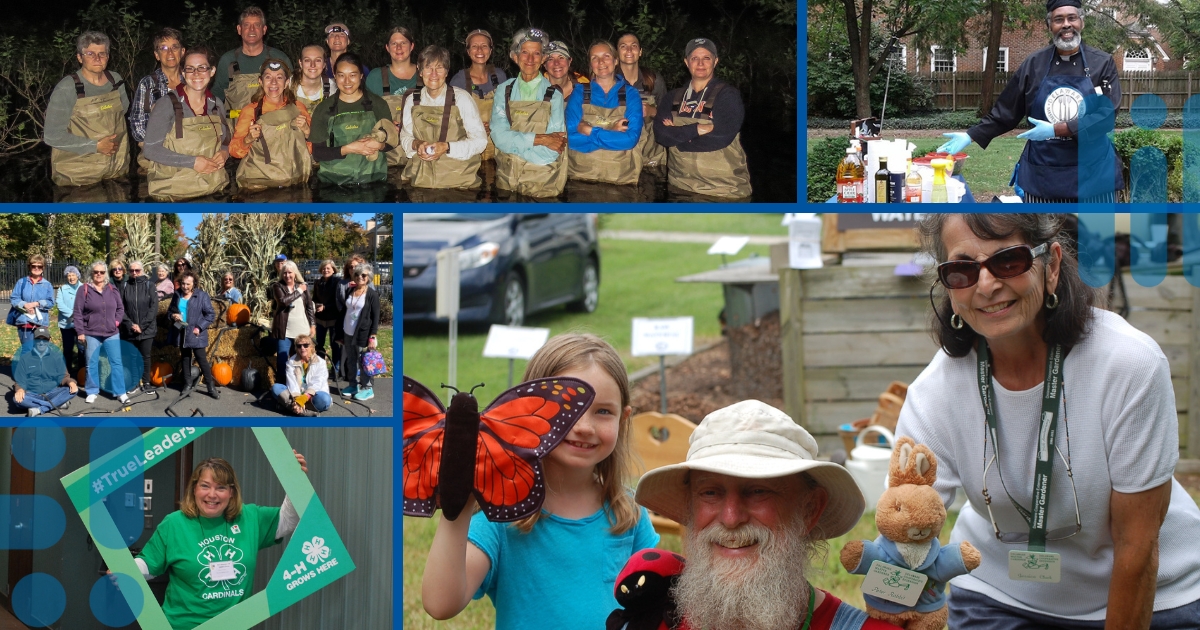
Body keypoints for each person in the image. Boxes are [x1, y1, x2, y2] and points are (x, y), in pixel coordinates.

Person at [896, 214, 1200, 628]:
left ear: (1051, 265)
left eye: (1009, 261)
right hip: (1000, 594)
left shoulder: (1129, 364)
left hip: (1156, 597)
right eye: (962, 269)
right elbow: (903, 528)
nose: (985, 285)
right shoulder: (933, 393)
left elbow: (1138, 546)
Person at [421, 333, 659, 629]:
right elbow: (440, 603)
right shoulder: (502, 516)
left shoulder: (630, 514)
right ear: (526, 413)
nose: (584, 427)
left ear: (623, 420)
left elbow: (656, 605)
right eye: (568, 410)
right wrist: (460, 503)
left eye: (603, 412)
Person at [634, 400, 895, 630]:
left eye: (758, 490)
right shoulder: (652, 621)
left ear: (809, 510)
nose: (731, 517)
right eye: (710, 493)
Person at [938, 0, 1122, 203]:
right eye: (1058, 19)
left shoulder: (1102, 63)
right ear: (1049, 26)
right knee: (1041, 235)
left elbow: (1107, 116)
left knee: (1094, 235)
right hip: (1043, 174)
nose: (1066, 25)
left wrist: (1056, 129)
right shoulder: (1034, 64)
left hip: (1094, 175)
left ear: (1082, 22)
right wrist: (970, 135)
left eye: (1072, 18)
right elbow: (1006, 112)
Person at [129, 454, 309, 628]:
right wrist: (124, 569)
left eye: (221, 487)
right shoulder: (174, 524)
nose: (212, 494)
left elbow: (288, 520)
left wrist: (294, 479)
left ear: (231, 492)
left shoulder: (249, 517)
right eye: (205, 486)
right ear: (194, 489)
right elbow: (148, 565)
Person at [654, 38, 752, 200]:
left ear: (715, 61)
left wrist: (676, 136)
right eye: (694, 58)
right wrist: (696, 129)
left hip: (723, 191)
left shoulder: (728, 95)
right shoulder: (672, 97)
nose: (700, 63)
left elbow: (721, 136)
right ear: (686, 62)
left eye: (706, 58)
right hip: (680, 187)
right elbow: (660, 135)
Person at [143, 47, 232, 201]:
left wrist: (225, 152)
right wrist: (193, 162)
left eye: (202, 68)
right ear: (183, 74)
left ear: (212, 71)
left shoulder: (217, 104)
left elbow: (226, 141)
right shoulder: (167, 104)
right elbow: (150, 150)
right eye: (190, 69)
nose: (196, 74)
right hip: (175, 192)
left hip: (213, 188)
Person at [44, 31, 130, 187]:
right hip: (79, 177)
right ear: (79, 57)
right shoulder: (67, 88)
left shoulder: (116, 80)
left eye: (102, 54)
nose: (97, 58)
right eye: (90, 53)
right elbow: (52, 136)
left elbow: (122, 111)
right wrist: (95, 146)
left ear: (108, 57)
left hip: (117, 170)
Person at [491, 27, 568, 198]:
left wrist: (514, 148)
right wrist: (540, 139)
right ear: (515, 57)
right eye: (525, 52)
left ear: (543, 58)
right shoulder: (503, 91)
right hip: (506, 181)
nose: (530, 59)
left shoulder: (554, 95)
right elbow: (498, 136)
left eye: (537, 53)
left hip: (541, 181)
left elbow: (553, 149)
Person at [398, 45, 486, 191]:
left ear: (446, 72)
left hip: (459, 183)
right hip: (421, 181)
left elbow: (480, 142)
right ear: (420, 71)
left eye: (439, 68)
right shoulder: (412, 100)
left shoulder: (462, 98)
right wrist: (417, 144)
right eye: (428, 67)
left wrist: (447, 147)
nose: (433, 74)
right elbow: (405, 136)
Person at [308, 53, 396, 186]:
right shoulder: (323, 109)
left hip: (373, 180)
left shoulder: (378, 104)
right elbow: (318, 154)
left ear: (361, 75)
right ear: (335, 76)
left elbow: (391, 142)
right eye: (341, 75)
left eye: (353, 75)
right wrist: (348, 149)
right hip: (334, 184)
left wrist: (380, 145)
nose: (347, 81)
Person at [566, 40, 643, 186]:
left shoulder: (631, 94)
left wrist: (588, 130)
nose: (601, 62)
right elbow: (569, 138)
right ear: (591, 64)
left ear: (615, 61)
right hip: (580, 178)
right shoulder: (579, 92)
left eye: (606, 56)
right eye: (595, 58)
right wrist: (611, 131)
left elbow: (630, 139)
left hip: (621, 180)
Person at [229, 58, 312, 190]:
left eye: (279, 77)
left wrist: (307, 132)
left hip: (296, 180)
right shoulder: (250, 111)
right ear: (260, 82)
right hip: (260, 183)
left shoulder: (298, 108)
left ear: (287, 83)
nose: (273, 82)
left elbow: (312, 148)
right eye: (268, 77)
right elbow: (234, 151)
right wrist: (248, 139)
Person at [213, 6, 292, 120]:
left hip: (274, 127)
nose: (252, 29)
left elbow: (292, 94)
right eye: (246, 25)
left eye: (257, 25)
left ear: (264, 29)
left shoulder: (279, 58)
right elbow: (216, 96)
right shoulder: (228, 60)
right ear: (239, 29)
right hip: (238, 128)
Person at [130, 27, 185, 173]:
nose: (170, 53)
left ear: (183, 51)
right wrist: (157, 146)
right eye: (164, 48)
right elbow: (137, 126)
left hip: (190, 149)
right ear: (157, 55)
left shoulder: (194, 80)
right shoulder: (147, 84)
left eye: (175, 47)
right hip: (156, 155)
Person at [74, 261, 129, 404]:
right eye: (96, 272)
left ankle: (120, 392)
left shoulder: (112, 289)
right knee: (91, 362)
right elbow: (78, 313)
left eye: (102, 272)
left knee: (116, 362)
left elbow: (120, 309)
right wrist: (80, 332)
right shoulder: (84, 289)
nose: (98, 274)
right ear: (91, 273)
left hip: (111, 332)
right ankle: (92, 391)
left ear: (105, 274)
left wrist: (116, 322)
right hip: (91, 332)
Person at [365, 27, 420, 168]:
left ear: (412, 46)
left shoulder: (427, 74)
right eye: (394, 43)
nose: (399, 47)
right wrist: (387, 124)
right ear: (387, 48)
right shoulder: (375, 77)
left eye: (404, 42)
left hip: (420, 153)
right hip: (386, 157)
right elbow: (365, 114)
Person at [449, 29, 507, 160]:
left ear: (490, 50)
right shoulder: (458, 81)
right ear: (468, 52)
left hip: (498, 146)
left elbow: (507, 111)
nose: (480, 50)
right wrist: (476, 128)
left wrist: (494, 124)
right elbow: (452, 121)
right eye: (474, 46)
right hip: (471, 147)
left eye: (484, 46)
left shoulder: (500, 76)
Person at [617, 33, 667, 173]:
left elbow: (669, 117)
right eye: (623, 46)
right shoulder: (608, 82)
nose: (628, 50)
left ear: (640, 52)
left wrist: (652, 111)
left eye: (633, 46)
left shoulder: (653, 80)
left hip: (651, 156)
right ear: (617, 53)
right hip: (620, 155)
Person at [168, 271, 219, 400]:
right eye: (183, 284)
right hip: (181, 331)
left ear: (194, 284)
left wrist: (199, 327)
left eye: (188, 284)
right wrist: (173, 316)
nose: (185, 287)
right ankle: (187, 384)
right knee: (185, 358)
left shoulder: (201, 296)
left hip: (196, 332)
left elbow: (210, 315)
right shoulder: (177, 294)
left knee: (202, 359)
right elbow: (170, 311)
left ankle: (210, 386)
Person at [12, 327, 78, 417]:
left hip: (52, 392)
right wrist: (19, 389)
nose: (41, 342)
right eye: (38, 339)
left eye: (45, 339)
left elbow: (64, 377)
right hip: (32, 394)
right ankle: (57, 404)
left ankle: (40, 409)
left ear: (49, 340)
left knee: (72, 390)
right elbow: (20, 380)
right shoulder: (25, 359)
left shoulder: (57, 357)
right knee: (17, 401)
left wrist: (71, 382)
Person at [339, 262, 379, 401]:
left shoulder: (372, 294)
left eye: (364, 275)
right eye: (357, 274)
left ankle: (367, 388)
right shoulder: (350, 290)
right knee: (351, 360)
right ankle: (352, 385)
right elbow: (346, 311)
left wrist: (373, 336)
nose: (360, 277)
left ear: (369, 277)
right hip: (348, 331)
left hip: (363, 333)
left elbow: (376, 316)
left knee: (364, 361)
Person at [271, 260, 316, 383]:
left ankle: (301, 386)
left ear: (295, 273)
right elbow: (283, 301)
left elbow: (309, 307)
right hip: (284, 331)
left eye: (290, 272)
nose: (287, 275)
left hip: (302, 331)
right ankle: (282, 388)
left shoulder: (303, 286)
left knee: (302, 359)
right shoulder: (278, 286)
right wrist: (299, 291)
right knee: (282, 360)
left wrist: (312, 325)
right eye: (284, 273)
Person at [120, 260, 158, 394]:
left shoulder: (150, 285)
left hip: (146, 329)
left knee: (145, 356)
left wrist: (142, 326)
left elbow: (154, 308)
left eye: (137, 270)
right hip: (130, 329)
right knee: (132, 356)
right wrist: (130, 324)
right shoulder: (125, 286)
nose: (134, 273)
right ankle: (135, 383)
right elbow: (120, 308)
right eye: (131, 271)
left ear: (142, 271)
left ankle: (146, 382)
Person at [271, 333, 331, 415]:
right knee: (276, 388)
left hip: (313, 396)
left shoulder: (321, 362)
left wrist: (305, 397)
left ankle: (291, 407)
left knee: (325, 399)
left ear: (311, 347)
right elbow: (291, 383)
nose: (302, 348)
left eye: (305, 345)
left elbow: (317, 383)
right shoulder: (291, 362)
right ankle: (305, 412)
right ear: (296, 348)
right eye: (299, 346)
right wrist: (297, 399)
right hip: (297, 395)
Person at [8, 254, 54, 348]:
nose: (36, 268)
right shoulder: (21, 282)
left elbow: (51, 302)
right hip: (24, 322)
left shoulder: (47, 285)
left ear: (43, 267)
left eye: (39, 266)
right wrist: (25, 305)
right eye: (33, 266)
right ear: (29, 267)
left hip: (41, 323)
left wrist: (37, 304)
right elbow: (14, 299)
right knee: (27, 351)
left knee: (40, 352)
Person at [312, 259, 342, 378]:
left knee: (334, 344)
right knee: (319, 344)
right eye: (324, 268)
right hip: (320, 318)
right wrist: (315, 305)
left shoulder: (337, 282)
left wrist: (325, 307)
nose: (326, 270)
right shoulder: (317, 282)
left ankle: (336, 369)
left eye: (328, 268)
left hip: (333, 318)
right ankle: (321, 368)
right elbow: (314, 297)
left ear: (333, 270)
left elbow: (338, 300)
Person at [56, 265, 86, 375]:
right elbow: (60, 304)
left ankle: (82, 373)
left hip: (81, 325)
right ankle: (67, 373)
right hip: (66, 324)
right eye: (69, 275)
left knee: (82, 350)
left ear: (77, 276)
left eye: (73, 275)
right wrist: (73, 315)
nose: (71, 277)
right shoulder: (62, 289)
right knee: (68, 349)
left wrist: (79, 317)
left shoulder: (84, 288)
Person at [294, 45, 336, 111]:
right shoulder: (288, 86)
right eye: (307, 60)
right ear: (300, 63)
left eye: (318, 60)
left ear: (324, 64)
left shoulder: (332, 88)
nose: (312, 65)